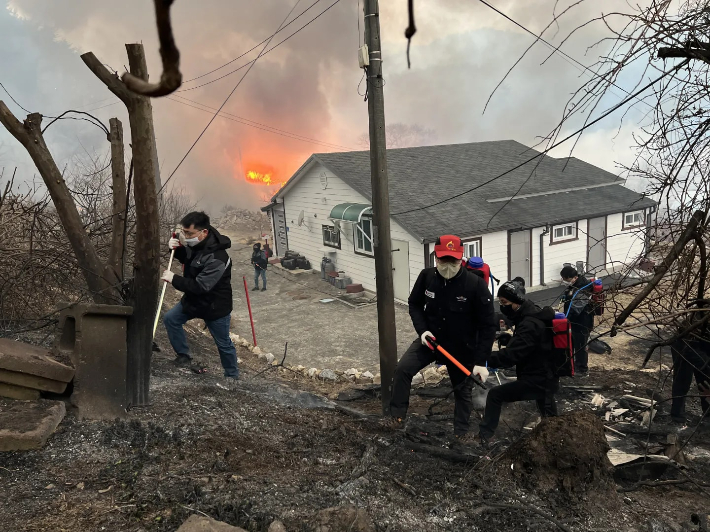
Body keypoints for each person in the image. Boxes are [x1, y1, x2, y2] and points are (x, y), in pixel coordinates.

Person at [388, 235, 497, 441]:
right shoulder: (427, 277)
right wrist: (423, 331)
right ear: (436, 258)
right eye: (443, 260)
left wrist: (481, 361)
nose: (448, 265)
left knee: (462, 392)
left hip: (462, 347)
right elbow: (414, 304)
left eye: (453, 260)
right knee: (402, 370)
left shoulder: (475, 285)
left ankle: (460, 434)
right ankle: (397, 417)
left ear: (461, 258)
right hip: (431, 340)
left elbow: (488, 325)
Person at [477, 277, 559, 444]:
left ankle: (485, 436)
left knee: (495, 395)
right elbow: (531, 345)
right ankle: (556, 437)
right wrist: (511, 339)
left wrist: (482, 359)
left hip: (537, 378)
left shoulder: (529, 323)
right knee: (548, 411)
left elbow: (510, 357)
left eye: (504, 302)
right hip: (547, 375)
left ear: (516, 302)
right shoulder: (532, 313)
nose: (502, 306)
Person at [161, 211, 239, 380]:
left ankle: (232, 376)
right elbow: (189, 260)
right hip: (193, 301)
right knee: (171, 319)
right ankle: (184, 355)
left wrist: (174, 279)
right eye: (183, 232)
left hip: (214, 306)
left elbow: (201, 286)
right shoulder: (196, 245)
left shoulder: (218, 257)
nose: (185, 236)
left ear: (204, 232)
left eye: (189, 233)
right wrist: (176, 249)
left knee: (223, 343)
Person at [560, 265, 594, 377]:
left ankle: (582, 369)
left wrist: (565, 318)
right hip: (574, 322)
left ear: (572, 277)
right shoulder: (575, 285)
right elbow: (570, 299)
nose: (565, 281)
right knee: (571, 344)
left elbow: (576, 308)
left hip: (582, 322)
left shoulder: (584, 288)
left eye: (566, 279)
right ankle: (573, 366)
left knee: (580, 346)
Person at [669, 336, 710, 423]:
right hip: (685, 343)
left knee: (705, 380)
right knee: (682, 380)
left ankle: (708, 414)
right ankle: (677, 418)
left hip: (704, 343)